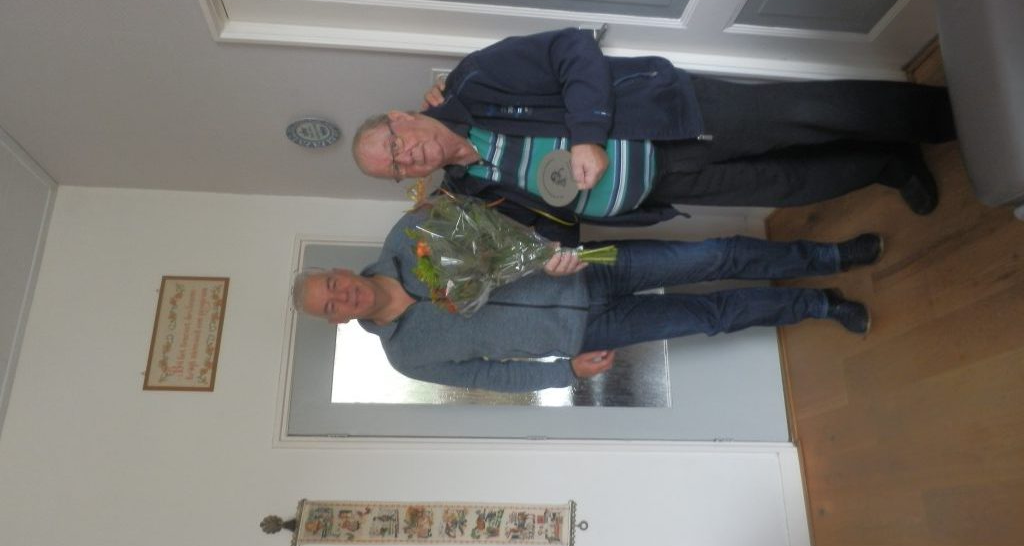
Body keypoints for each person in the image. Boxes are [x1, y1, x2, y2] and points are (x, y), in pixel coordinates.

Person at [352, 28, 956, 244]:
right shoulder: (466, 191)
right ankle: (889, 164)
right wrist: (556, 250)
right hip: (662, 187)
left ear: (399, 118)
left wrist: (587, 136)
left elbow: (572, 48)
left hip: (665, 119)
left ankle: (949, 115)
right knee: (788, 184)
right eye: (397, 170)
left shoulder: (475, 80)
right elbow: (549, 219)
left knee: (806, 113)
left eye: (395, 146)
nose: (409, 159)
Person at [293, 209, 883, 392]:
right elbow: (490, 376)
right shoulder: (406, 357)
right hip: (584, 335)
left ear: (340, 271)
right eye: (330, 306)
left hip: (584, 268)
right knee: (710, 316)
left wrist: (542, 247)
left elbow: (488, 223)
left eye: (332, 285)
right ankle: (820, 306)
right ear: (336, 321)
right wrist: (565, 373)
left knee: (712, 256)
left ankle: (829, 257)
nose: (341, 296)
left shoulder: (407, 236)